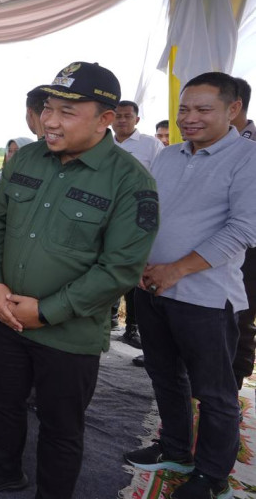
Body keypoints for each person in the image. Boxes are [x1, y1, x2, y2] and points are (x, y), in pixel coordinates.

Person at [0, 62, 158, 499]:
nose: (49, 120)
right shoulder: (27, 157)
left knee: (61, 426)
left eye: (67, 113)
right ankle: (3, 469)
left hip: (69, 334)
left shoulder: (131, 181)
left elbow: (120, 268)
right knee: (2, 404)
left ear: (106, 119)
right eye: (49, 107)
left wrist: (46, 312)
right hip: (6, 316)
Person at [124, 73, 256, 499]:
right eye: (184, 109)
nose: (189, 119)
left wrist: (176, 269)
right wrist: (142, 260)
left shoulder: (247, 159)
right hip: (153, 288)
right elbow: (150, 211)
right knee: (165, 376)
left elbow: (243, 229)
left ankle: (212, 473)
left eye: (203, 110)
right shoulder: (168, 155)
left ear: (233, 110)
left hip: (205, 298)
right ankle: (176, 448)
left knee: (214, 392)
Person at [111, 99, 164, 348]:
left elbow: (161, 182)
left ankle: (132, 327)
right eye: (118, 116)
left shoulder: (150, 146)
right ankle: (106, 319)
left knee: (133, 272)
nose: (122, 120)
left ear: (137, 119)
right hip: (105, 217)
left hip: (136, 219)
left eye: (127, 116)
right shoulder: (101, 142)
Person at [230, 77, 256, 393]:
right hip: (208, 248)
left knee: (239, 315)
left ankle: (231, 389)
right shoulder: (204, 145)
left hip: (250, 248)